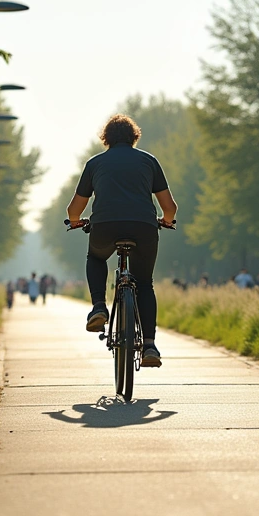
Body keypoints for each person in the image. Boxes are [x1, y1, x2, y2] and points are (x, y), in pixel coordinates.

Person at [66, 114, 178, 368]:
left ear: (106, 139)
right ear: (134, 137)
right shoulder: (149, 161)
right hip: (144, 227)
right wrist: (167, 220)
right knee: (145, 283)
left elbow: (74, 210)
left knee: (95, 257)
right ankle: (149, 345)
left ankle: (98, 307)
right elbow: (169, 207)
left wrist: (75, 221)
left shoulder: (95, 164)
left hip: (105, 226)